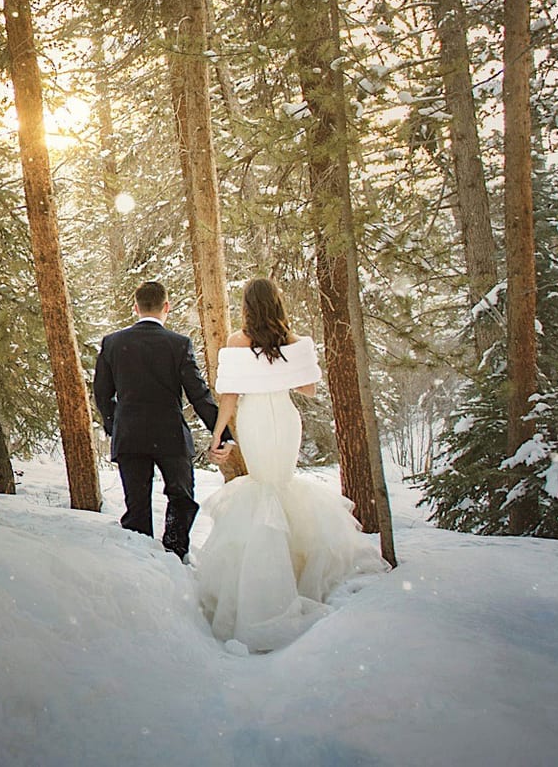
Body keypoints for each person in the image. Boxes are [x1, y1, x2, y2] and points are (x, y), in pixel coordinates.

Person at [193, 277, 389, 652]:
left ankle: (269, 586)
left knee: (268, 489)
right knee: (278, 488)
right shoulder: (293, 342)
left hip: (256, 420)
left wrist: (219, 436)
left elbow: (229, 398)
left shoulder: (237, 342)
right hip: (283, 417)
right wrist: (280, 365)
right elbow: (308, 389)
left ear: (248, 306)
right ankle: (294, 578)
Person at [92, 281, 223, 560]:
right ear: (167, 306)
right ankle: (174, 554)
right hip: (170, 435)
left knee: (136, 505)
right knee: (181, 498)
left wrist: (115, 424)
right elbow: (198, 394)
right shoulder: (178, 344)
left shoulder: (113, 342)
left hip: (130, 435)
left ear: (136, 307)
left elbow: (102, 394)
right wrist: (220, 432)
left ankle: (141, 562)